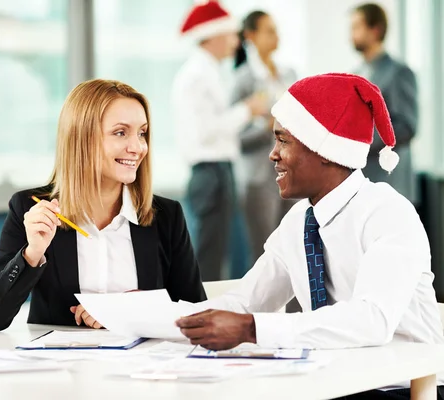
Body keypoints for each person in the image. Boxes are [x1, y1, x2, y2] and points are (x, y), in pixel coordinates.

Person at [176, 73, 444, 398]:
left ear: (325, 150)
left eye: (283, 141)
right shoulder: (299, 220)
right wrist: (161, 318)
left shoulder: (387, 213)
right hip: (335, 382)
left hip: (400, 386)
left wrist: (251, 328)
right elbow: (247, 300)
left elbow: (372, 319)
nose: (272, 154)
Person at [0, 79, 206, 332]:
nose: (138, 147)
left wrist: (132, 307)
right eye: (121, 132)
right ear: (82, 138)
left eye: (142, 133)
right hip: (61, 368)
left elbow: (196, 313)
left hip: (140, 367)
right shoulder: (30, 209)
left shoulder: (166, 216)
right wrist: (32, 253)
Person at [172, 1, 267, 281]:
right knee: (208, 254)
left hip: (217, 171)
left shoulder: (209, 72)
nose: (237, 42)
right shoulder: (196, 75)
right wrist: (246, 110)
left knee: (216, 252)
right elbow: (205, 130)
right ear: (213, 35)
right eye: (232, 35)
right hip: (209, 171)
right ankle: (201, 315)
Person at [231, 10, 298, 269]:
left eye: (276, 30)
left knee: (296, 249)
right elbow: (235, 137)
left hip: (292, 172)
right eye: (269, 31)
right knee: (265, 253)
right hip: (259, 177)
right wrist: (269, 127)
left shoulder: (289, 73)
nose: (276, 36)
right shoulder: (241, 80)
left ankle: (297, 312)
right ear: (251, 36)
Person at [351, 3, 418, 204]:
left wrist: (360, 144)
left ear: (375, 29)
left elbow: (406, 126)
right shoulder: (356, 74)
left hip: (390, 181)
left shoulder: (399, 72)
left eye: (356, 27)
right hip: (363, 180)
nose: (351, 34)